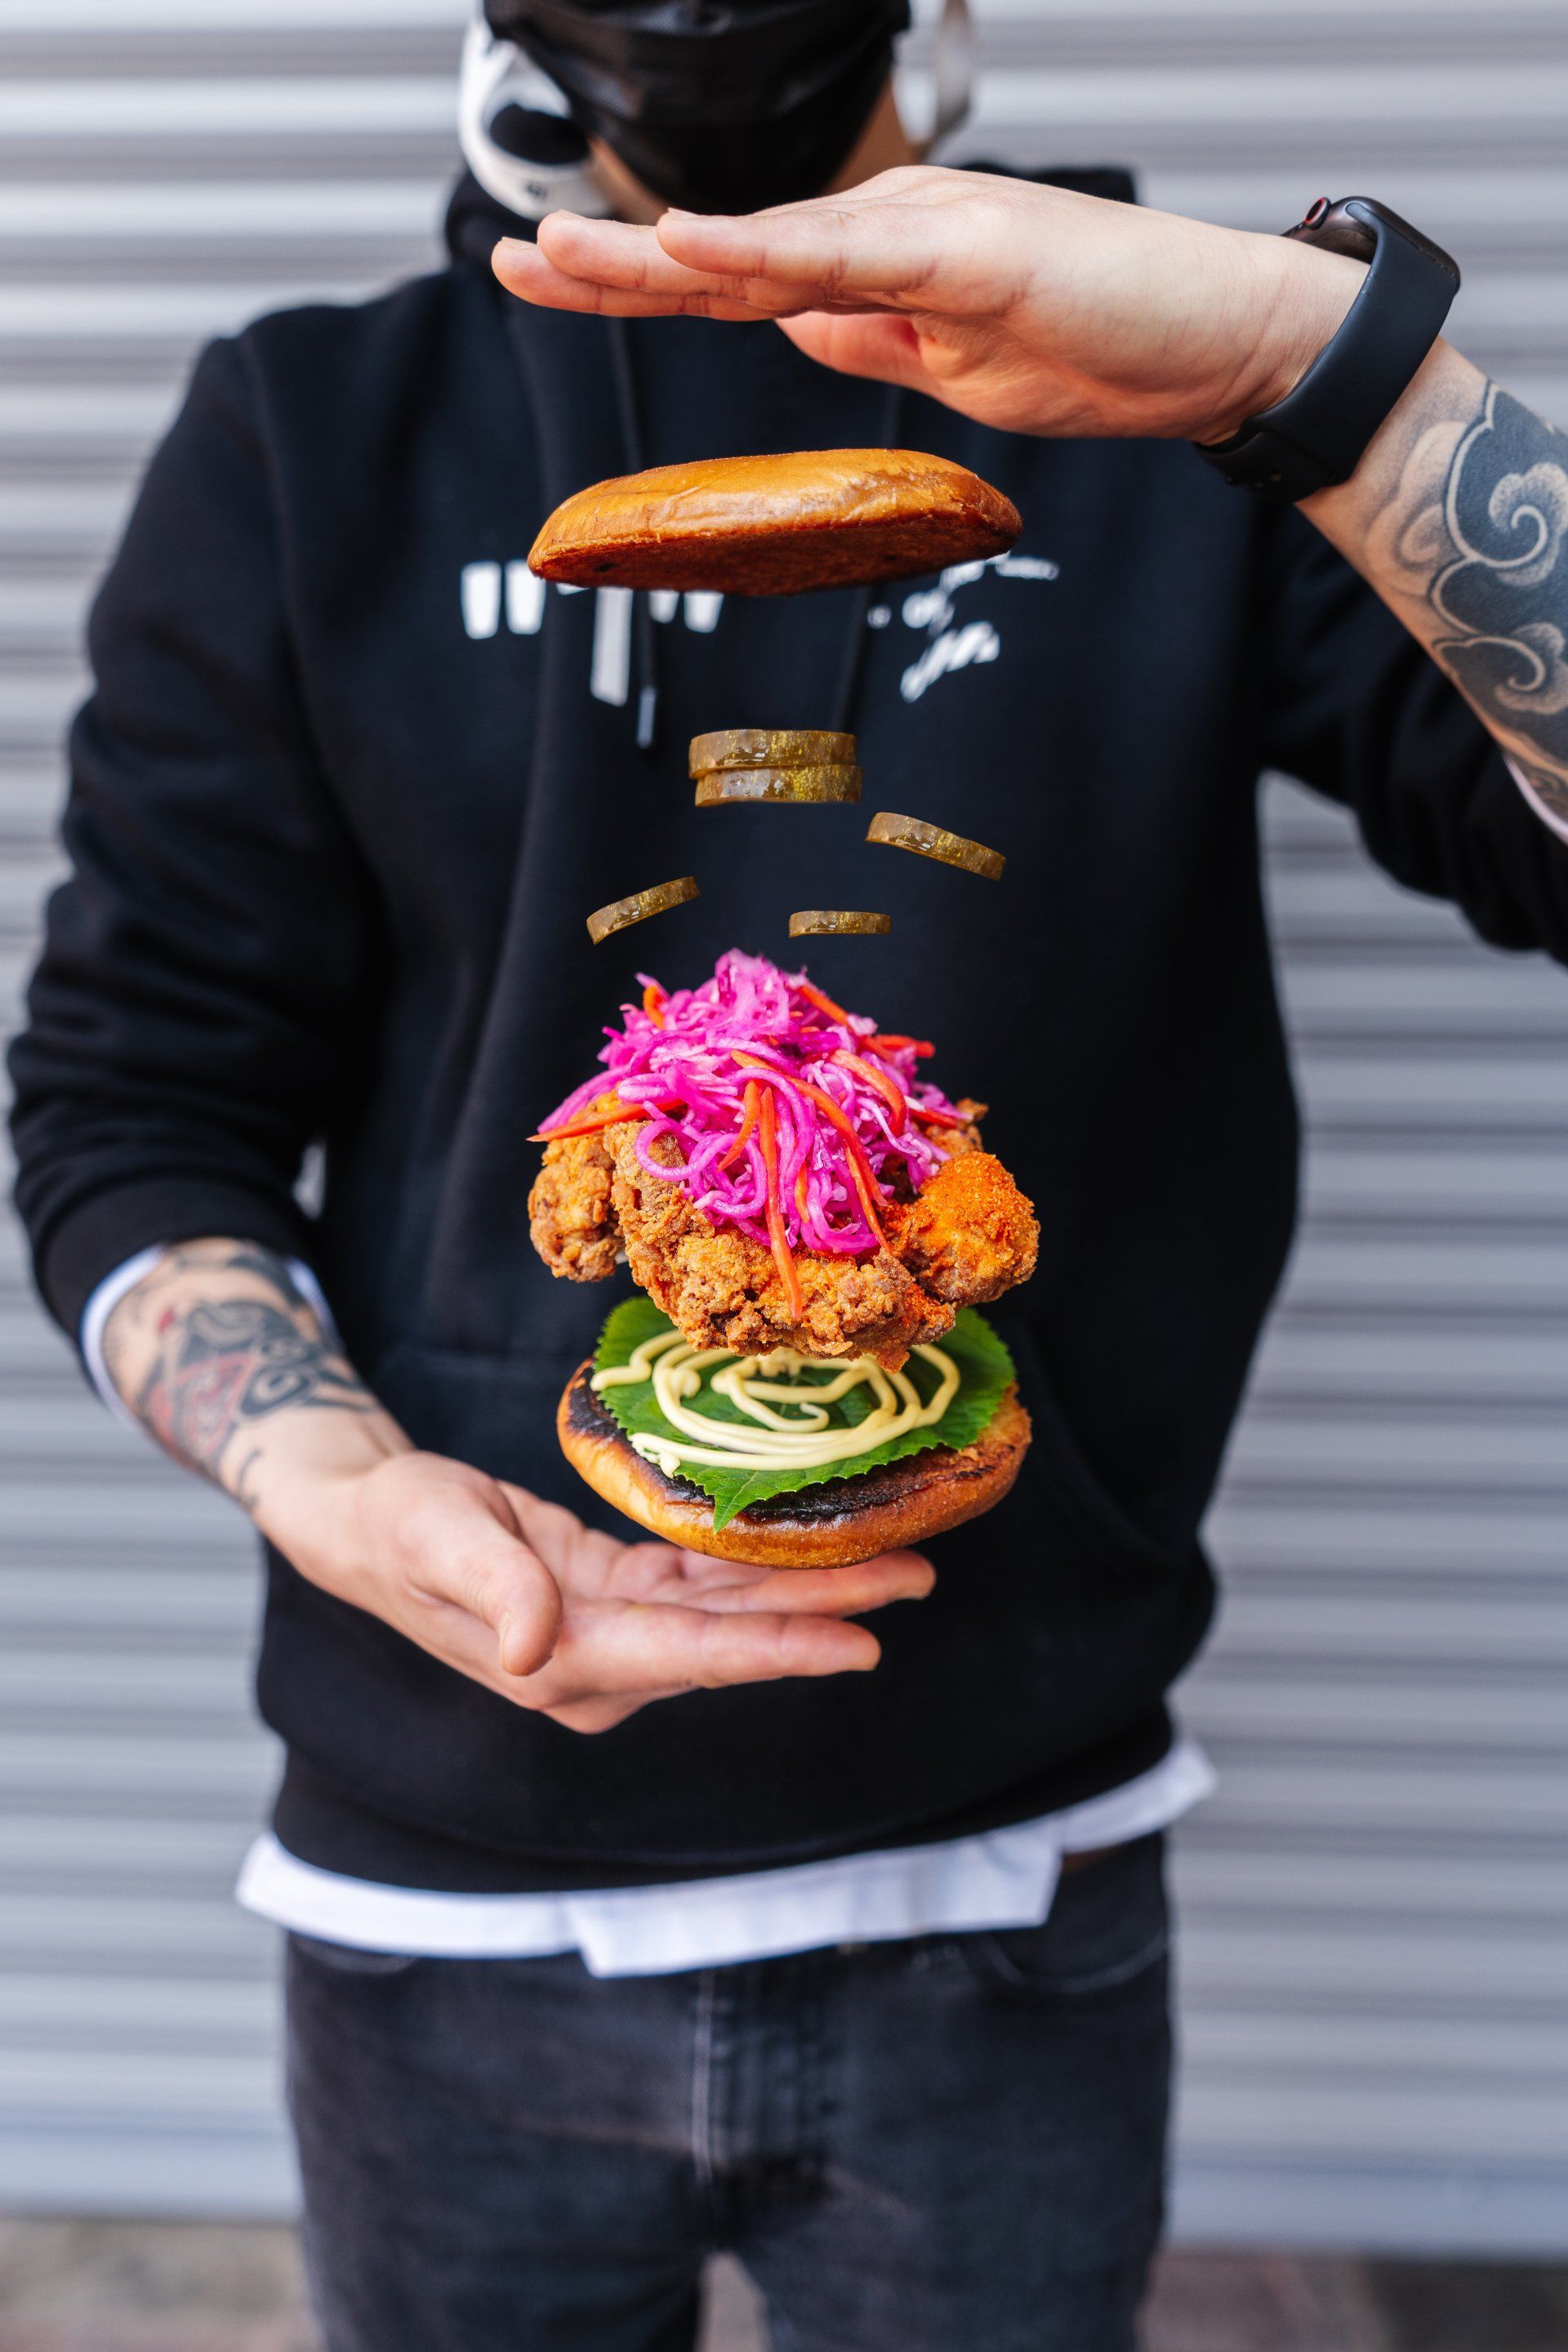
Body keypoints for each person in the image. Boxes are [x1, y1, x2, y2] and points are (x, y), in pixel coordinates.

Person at [10, 2, 1568, 2345]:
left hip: (1015, 1875)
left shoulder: (1166, 394)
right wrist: (324, 1474)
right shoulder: (312, 432)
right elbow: (131, 1103)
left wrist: (1322, 373)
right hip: (447, 1909)